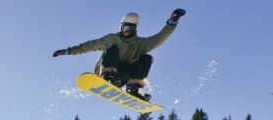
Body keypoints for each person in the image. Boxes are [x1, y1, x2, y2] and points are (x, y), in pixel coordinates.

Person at [53, 9, 186, 101]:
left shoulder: (139, 44)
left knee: (147, 58)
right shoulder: (112, 38)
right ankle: (106, 76)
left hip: (121, 77)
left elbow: (159, 38)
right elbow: (89, 46)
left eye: (130, 29)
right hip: (104, 70)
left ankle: (134, 87)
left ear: (135, 29)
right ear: (120, 27)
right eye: (124, 28)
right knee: (113, 49)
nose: (126, 32)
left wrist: (172, 22)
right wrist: (67, 51)